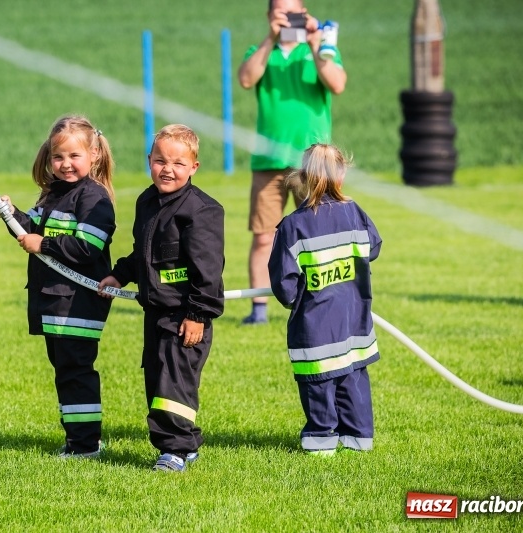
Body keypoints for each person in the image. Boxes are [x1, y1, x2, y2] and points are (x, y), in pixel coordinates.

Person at [0, 115, 116, 459]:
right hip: (53, 301)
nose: (66, 164)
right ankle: (79, 440)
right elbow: (28, 229)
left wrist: (42, 244)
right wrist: (9, 213)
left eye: (75, 156)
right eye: (58, 157)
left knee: (75, 372)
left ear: (94, 156)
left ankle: (86, 445)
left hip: (78, 302)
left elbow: (88, 247)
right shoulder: (53, 194)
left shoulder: (95, 198)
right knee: (65, 372)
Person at [98, 124, 225, 472]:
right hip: (155, 312)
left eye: (178, 163)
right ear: (149, 161)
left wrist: (198, 314)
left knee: (174, 383)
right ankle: (186, 444)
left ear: (194, 167)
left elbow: (208, 269)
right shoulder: (147, 201)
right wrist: (119, 274)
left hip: (185, 316)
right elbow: (145, 252)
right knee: (157, 381)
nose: (167, 169)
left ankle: (176, 451)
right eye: (160, 161)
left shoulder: (202, 211)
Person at [238, 0, 347, 324]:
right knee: (263, 236)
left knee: (318, 231)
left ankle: (321, 299)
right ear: (270, 15)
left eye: (294, 12)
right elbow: (246, 78)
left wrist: (316, 45)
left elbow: (337, 83)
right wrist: (270, 39)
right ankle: (259, 309)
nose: (289, 19)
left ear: (305, 13)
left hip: (311, 161)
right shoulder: (260, 50)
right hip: (267, 160)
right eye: (282, 12)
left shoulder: (321, 47)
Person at [269, 143, 381, 456]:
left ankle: (320, 442)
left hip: (315, 329)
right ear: (341, 175)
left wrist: (296, 297)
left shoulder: (293, 225)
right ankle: (359, 439)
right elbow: (373, 248)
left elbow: (284, 284)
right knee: (354, 381)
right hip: (355, 324)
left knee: (319, 386)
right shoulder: (356, 213)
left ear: (303, 177)